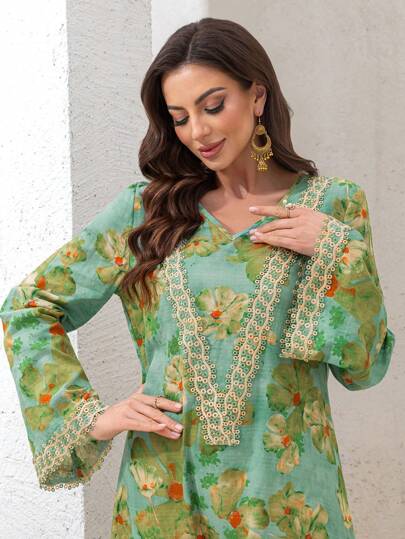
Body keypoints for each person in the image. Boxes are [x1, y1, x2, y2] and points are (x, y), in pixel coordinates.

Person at [0, 17, 396, 539]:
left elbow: (363, 370)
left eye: (213, 106)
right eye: (180, 117)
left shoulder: (333, 206)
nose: (198, 133)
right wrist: (93, 417)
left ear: (257, 96)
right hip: (164, 494)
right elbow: (28, 307)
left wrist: (338, 250)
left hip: (291, 499)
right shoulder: (146, 213)